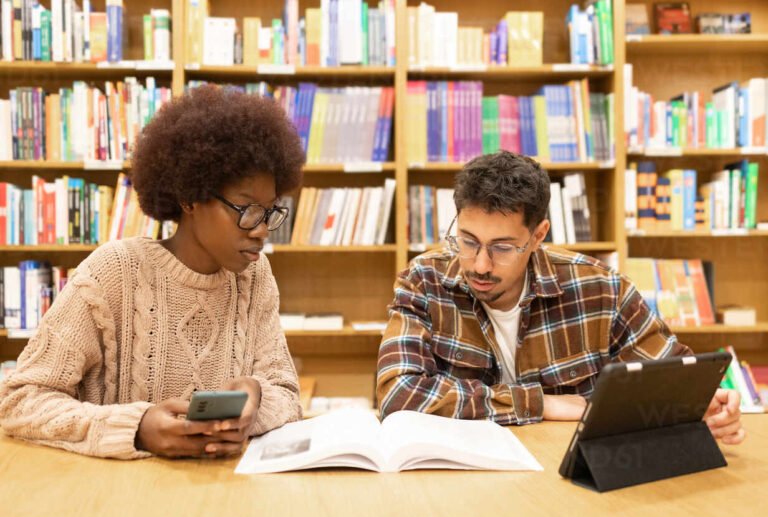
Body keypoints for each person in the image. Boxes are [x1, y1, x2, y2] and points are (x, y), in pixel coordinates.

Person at [0, 85, 307, 459]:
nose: (261, 228)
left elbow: (287, 394)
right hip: (116, 501)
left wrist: (256, 398)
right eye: (245, 209)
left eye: (270, 210)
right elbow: (19, 401)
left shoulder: (254, 278)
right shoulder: (114, 272)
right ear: (190, 198)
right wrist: (137, 430)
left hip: (223, 498)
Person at [377, 151, 744, 445]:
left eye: (503, 247)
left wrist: (707, 406)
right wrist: (541, 404)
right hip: (460, 486)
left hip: (570, 485)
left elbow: (674, 380)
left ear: (538, 236)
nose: (480, 264)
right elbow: (399, 394)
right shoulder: (424, 280)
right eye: (468, 240)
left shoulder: (600, 287)